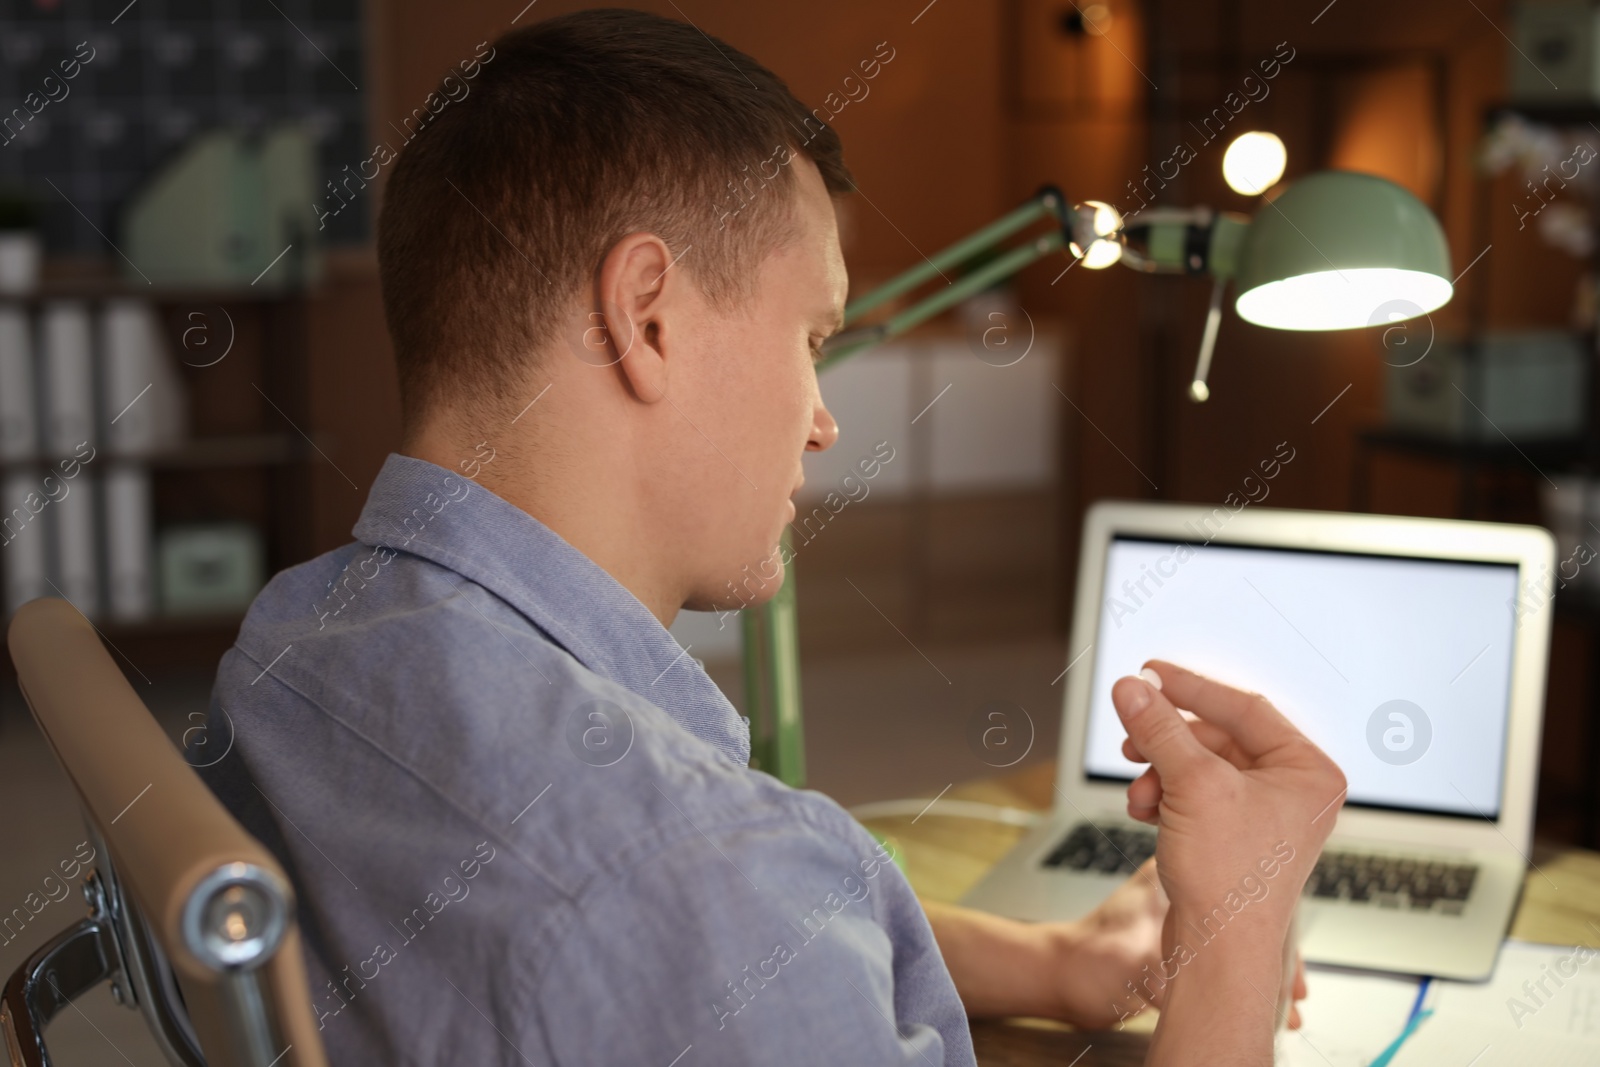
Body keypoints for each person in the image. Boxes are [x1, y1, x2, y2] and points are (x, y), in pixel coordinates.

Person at [196, 8, 1347, 1064]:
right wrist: (1238, 921)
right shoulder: (695, 868)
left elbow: (724, 957)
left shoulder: (293, 639)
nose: (824, 416)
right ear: (645, 318)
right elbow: (701, 914)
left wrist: (1050, 961)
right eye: (812, 335)